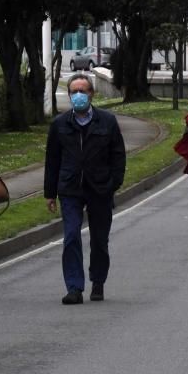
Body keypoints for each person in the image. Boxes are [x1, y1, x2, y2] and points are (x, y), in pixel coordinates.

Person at [44, 74, 126, 304]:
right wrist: (50, 192)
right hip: (70, 188)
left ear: (91, 93)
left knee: (99, 239)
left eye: (83, 90)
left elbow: (118, 156)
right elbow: (52, 160)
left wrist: (113, 184)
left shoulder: (107, 121)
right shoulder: (60, 124)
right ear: (69, 95)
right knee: (71, 236)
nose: (78, 95)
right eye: (74, 92)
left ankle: (98, 281)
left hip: (100, 188)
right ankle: (74, 287)